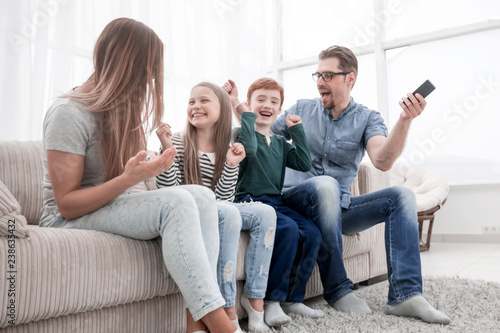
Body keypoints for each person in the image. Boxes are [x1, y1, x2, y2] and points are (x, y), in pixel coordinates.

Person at [39, 18, 241, 333]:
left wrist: (148, 170)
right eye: (147, 70)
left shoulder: (122, 113)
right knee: (176, 203)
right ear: (125, 64)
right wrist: (129, 179)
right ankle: (222, 326)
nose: (149, 80)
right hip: (65, 218)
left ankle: (195, 327)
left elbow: (129, 184)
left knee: (202, 195)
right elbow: (65, 204)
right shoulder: (69, 112)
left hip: (111, 206)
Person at [263, 45, 450, 325]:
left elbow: (382, 160)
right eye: (317, 75)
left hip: (339, 209)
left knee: (401, 196)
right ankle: (337, 288)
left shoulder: (367, 118)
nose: (319, 82)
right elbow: (263, 133)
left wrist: (404, 120)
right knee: (325, 184)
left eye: (327, 75)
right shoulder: (301, 109)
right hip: (295, 201)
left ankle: (406, 295)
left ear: (350, 78)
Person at [156, 82, 276, 333]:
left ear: (221, 108)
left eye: (204, 101)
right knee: (229, 212)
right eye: (191, 102)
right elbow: (168, 193)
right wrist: (167, 150)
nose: (196, 106)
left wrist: (232, 164)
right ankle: (227, 306)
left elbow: (224, 198)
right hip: (191, 213)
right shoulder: (176, 141)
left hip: (219, 208)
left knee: (266, 212)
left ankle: (255, 299)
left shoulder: (227, 148)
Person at [224, 78, 325, 328]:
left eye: (274, 102)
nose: (267, 105)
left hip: (275, 202)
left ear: (280, 110)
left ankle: (294, 297)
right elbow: (250, 150)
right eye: (261, 100)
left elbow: (303, 163)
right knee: (288, 230)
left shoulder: (280, 142)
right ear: (250, 105)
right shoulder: (241, 135)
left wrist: (296, 131)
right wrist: (240, 109)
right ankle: (271, 300)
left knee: (312, 233)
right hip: (250, 201)